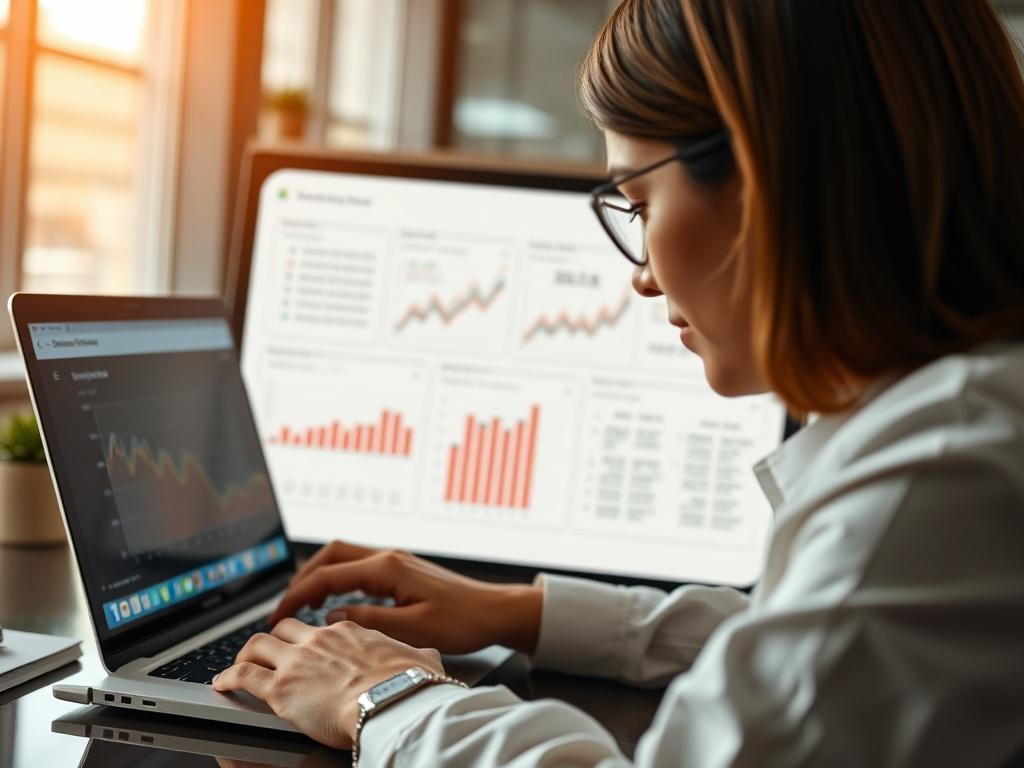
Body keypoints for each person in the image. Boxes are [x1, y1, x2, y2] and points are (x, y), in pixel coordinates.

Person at [212, 0, 1024, 764]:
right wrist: (524, 612)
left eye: (637, 201)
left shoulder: (940, 473)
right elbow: (818, 645)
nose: (639, 279)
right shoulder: (959, 423)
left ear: (770, 176)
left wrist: (379, 694)